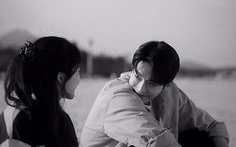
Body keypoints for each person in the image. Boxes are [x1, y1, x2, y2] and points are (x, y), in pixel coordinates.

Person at [80, 40, 229, 147]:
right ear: (132, 69)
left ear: (167, 84)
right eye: (137, 76)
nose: (141, 88)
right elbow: (158, 142)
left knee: (200, 138)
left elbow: (213, 126)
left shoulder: (171, 93)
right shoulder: (117, 96)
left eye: (151, 84)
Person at [0, 36, 81, 147]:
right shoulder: (21, 119)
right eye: (77, 71)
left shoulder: (60, 118)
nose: (79, 79)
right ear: (61, 78)